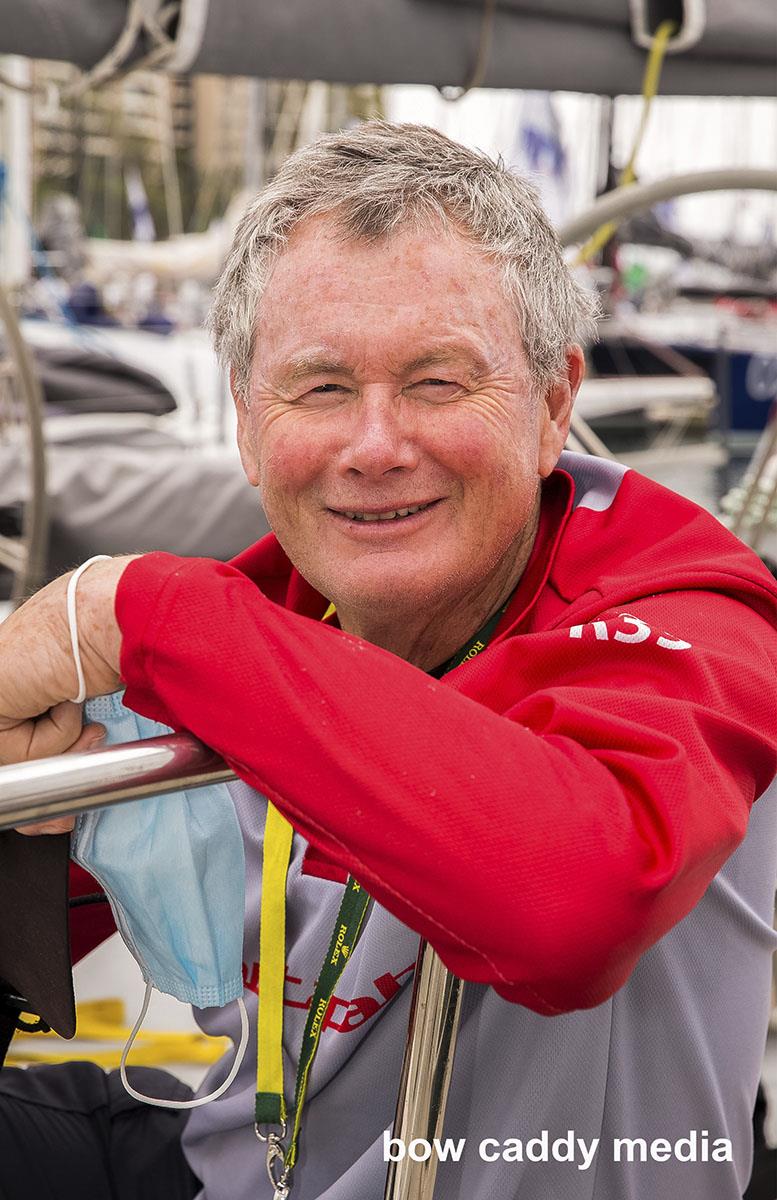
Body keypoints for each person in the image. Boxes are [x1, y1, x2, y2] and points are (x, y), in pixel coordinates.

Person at [0, 121, 776, 1200]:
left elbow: (577, 902)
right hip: (229, 1161)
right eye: (319, 389)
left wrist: (137, 609)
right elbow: (68, 899)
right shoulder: (260, 624)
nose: (373, 444)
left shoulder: (689, 611)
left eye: (436, 382)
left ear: (555, 403)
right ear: (243, 418)